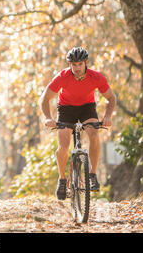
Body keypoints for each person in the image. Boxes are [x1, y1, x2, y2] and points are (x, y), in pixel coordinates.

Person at [39, 47, 116, 200]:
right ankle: (62, 180)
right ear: (69, 65)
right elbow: (44, 98)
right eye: (73, 65)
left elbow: (111, 98)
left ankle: (92, 175)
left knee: (94, 135)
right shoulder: (62, 77)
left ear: (86, 63)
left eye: (80, 64)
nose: (77, 68)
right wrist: (48, 117)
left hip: (87, 108)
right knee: (64, 145)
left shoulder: (96, 77)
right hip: (66, 109)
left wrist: (107, 116)